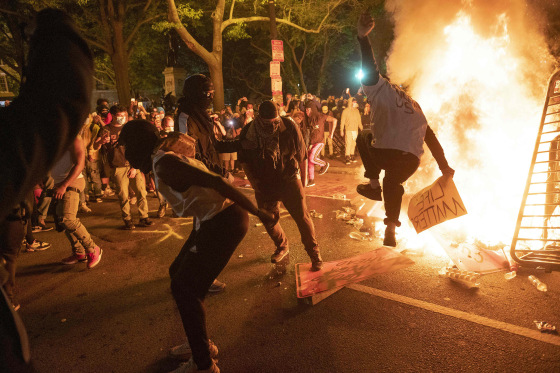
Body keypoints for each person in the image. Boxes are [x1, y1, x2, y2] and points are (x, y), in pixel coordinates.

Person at [118, 120, 276, 373]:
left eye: (126, 147)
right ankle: (199, 343)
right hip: (212, 220)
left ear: (138, 145)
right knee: (178, 274)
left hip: (225, 221)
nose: (124, 154)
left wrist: (260, 212)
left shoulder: (165, 164)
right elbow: (199, 193)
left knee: (185, 289)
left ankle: (204, 363)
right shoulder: (162, 160)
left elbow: (218, 182)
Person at [0, 8, 93, 371]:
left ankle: (91, 249)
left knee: (65, 220)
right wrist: (50, 26)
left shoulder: (78, 141)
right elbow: (61, 98)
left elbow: (80, 157)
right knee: (60, 222)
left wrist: (66, 182)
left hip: (68, 184)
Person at [355, 13, 454, 247]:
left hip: (387, 152)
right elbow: (431, 138)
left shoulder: (379, 88)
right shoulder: (415, 105)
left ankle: (372, 186)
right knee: (394, 184)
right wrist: (444, 166)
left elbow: (370, 68)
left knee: (363, 135)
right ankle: (390, 229)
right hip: (410, 160)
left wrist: (362, 38)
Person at [215, 101, 324, 271]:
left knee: (302, 218)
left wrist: (303, 182)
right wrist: (255, 183)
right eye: (269, 122)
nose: (274, 125)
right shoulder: (249, 132)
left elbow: (302, 156)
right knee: (268, 219)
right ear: (260, 119)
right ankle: (282, 245)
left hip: (288, 178)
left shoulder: (288, 125)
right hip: (264, 182)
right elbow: (244, 161)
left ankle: (314, 254)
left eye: (276, 121)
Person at [95, 105, 153, 230]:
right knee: (123, 195)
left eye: (124, 116)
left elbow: (137, 146)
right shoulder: (106, 129)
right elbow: (95, 146)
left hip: (133, 164)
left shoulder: (129, 128)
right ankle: (127, 219)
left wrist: (135, 167)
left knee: (141, 191)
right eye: (120, 116)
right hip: (118, 166)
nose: (123, 118)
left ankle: (144, 217)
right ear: (113, 116)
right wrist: (101, 142)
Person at [53, 135, 103, 268]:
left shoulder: (74, 138)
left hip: (71, 182)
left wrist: (64, 185)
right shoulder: (52, 137)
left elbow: (80, 164)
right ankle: (79, 252)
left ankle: (93, 248)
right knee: (61, 220)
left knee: (68, 219)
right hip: (58, 183)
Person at [304, 101, 336, 186]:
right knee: (309, 161)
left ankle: (324, 164)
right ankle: (311, 180)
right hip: (312, 142)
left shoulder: (321, 116)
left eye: (308, 110)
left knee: (312, 157)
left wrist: (331, 134)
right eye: (306, 110)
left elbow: (334, 120)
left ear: (312, 110)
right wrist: (309, 144)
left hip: (319, 142)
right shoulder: (309, 119)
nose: (306, 111)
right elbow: (311, 132)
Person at [340, 97, 363, 164]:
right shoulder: (345, 111)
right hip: (348, 130)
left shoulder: (356, 111)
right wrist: (341, 130)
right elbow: (342, 121)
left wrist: (361, 128)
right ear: (351, 102)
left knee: (354, 143)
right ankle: (347, 157)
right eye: (354, 102)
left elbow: (359, 121)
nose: (355, 103)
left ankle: (352, 155)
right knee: (348, 143)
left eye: (355, 102)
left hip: (355, 130)